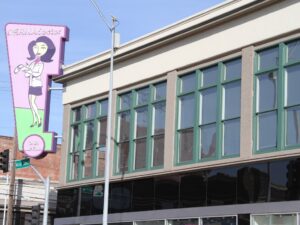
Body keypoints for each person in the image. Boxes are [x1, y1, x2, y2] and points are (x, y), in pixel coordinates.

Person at [14, 36, 56, 127]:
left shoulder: (41, 63)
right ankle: (34, 120)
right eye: (36, 47)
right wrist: (25, 70)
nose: (38, 50)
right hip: (31, 84)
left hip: (37, 84)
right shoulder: (33, 63)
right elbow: (27, 75)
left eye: (43, 47)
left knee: (33, 103)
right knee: (31, 104)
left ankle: (39, 118)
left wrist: (29, 71)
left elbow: (37, 73)